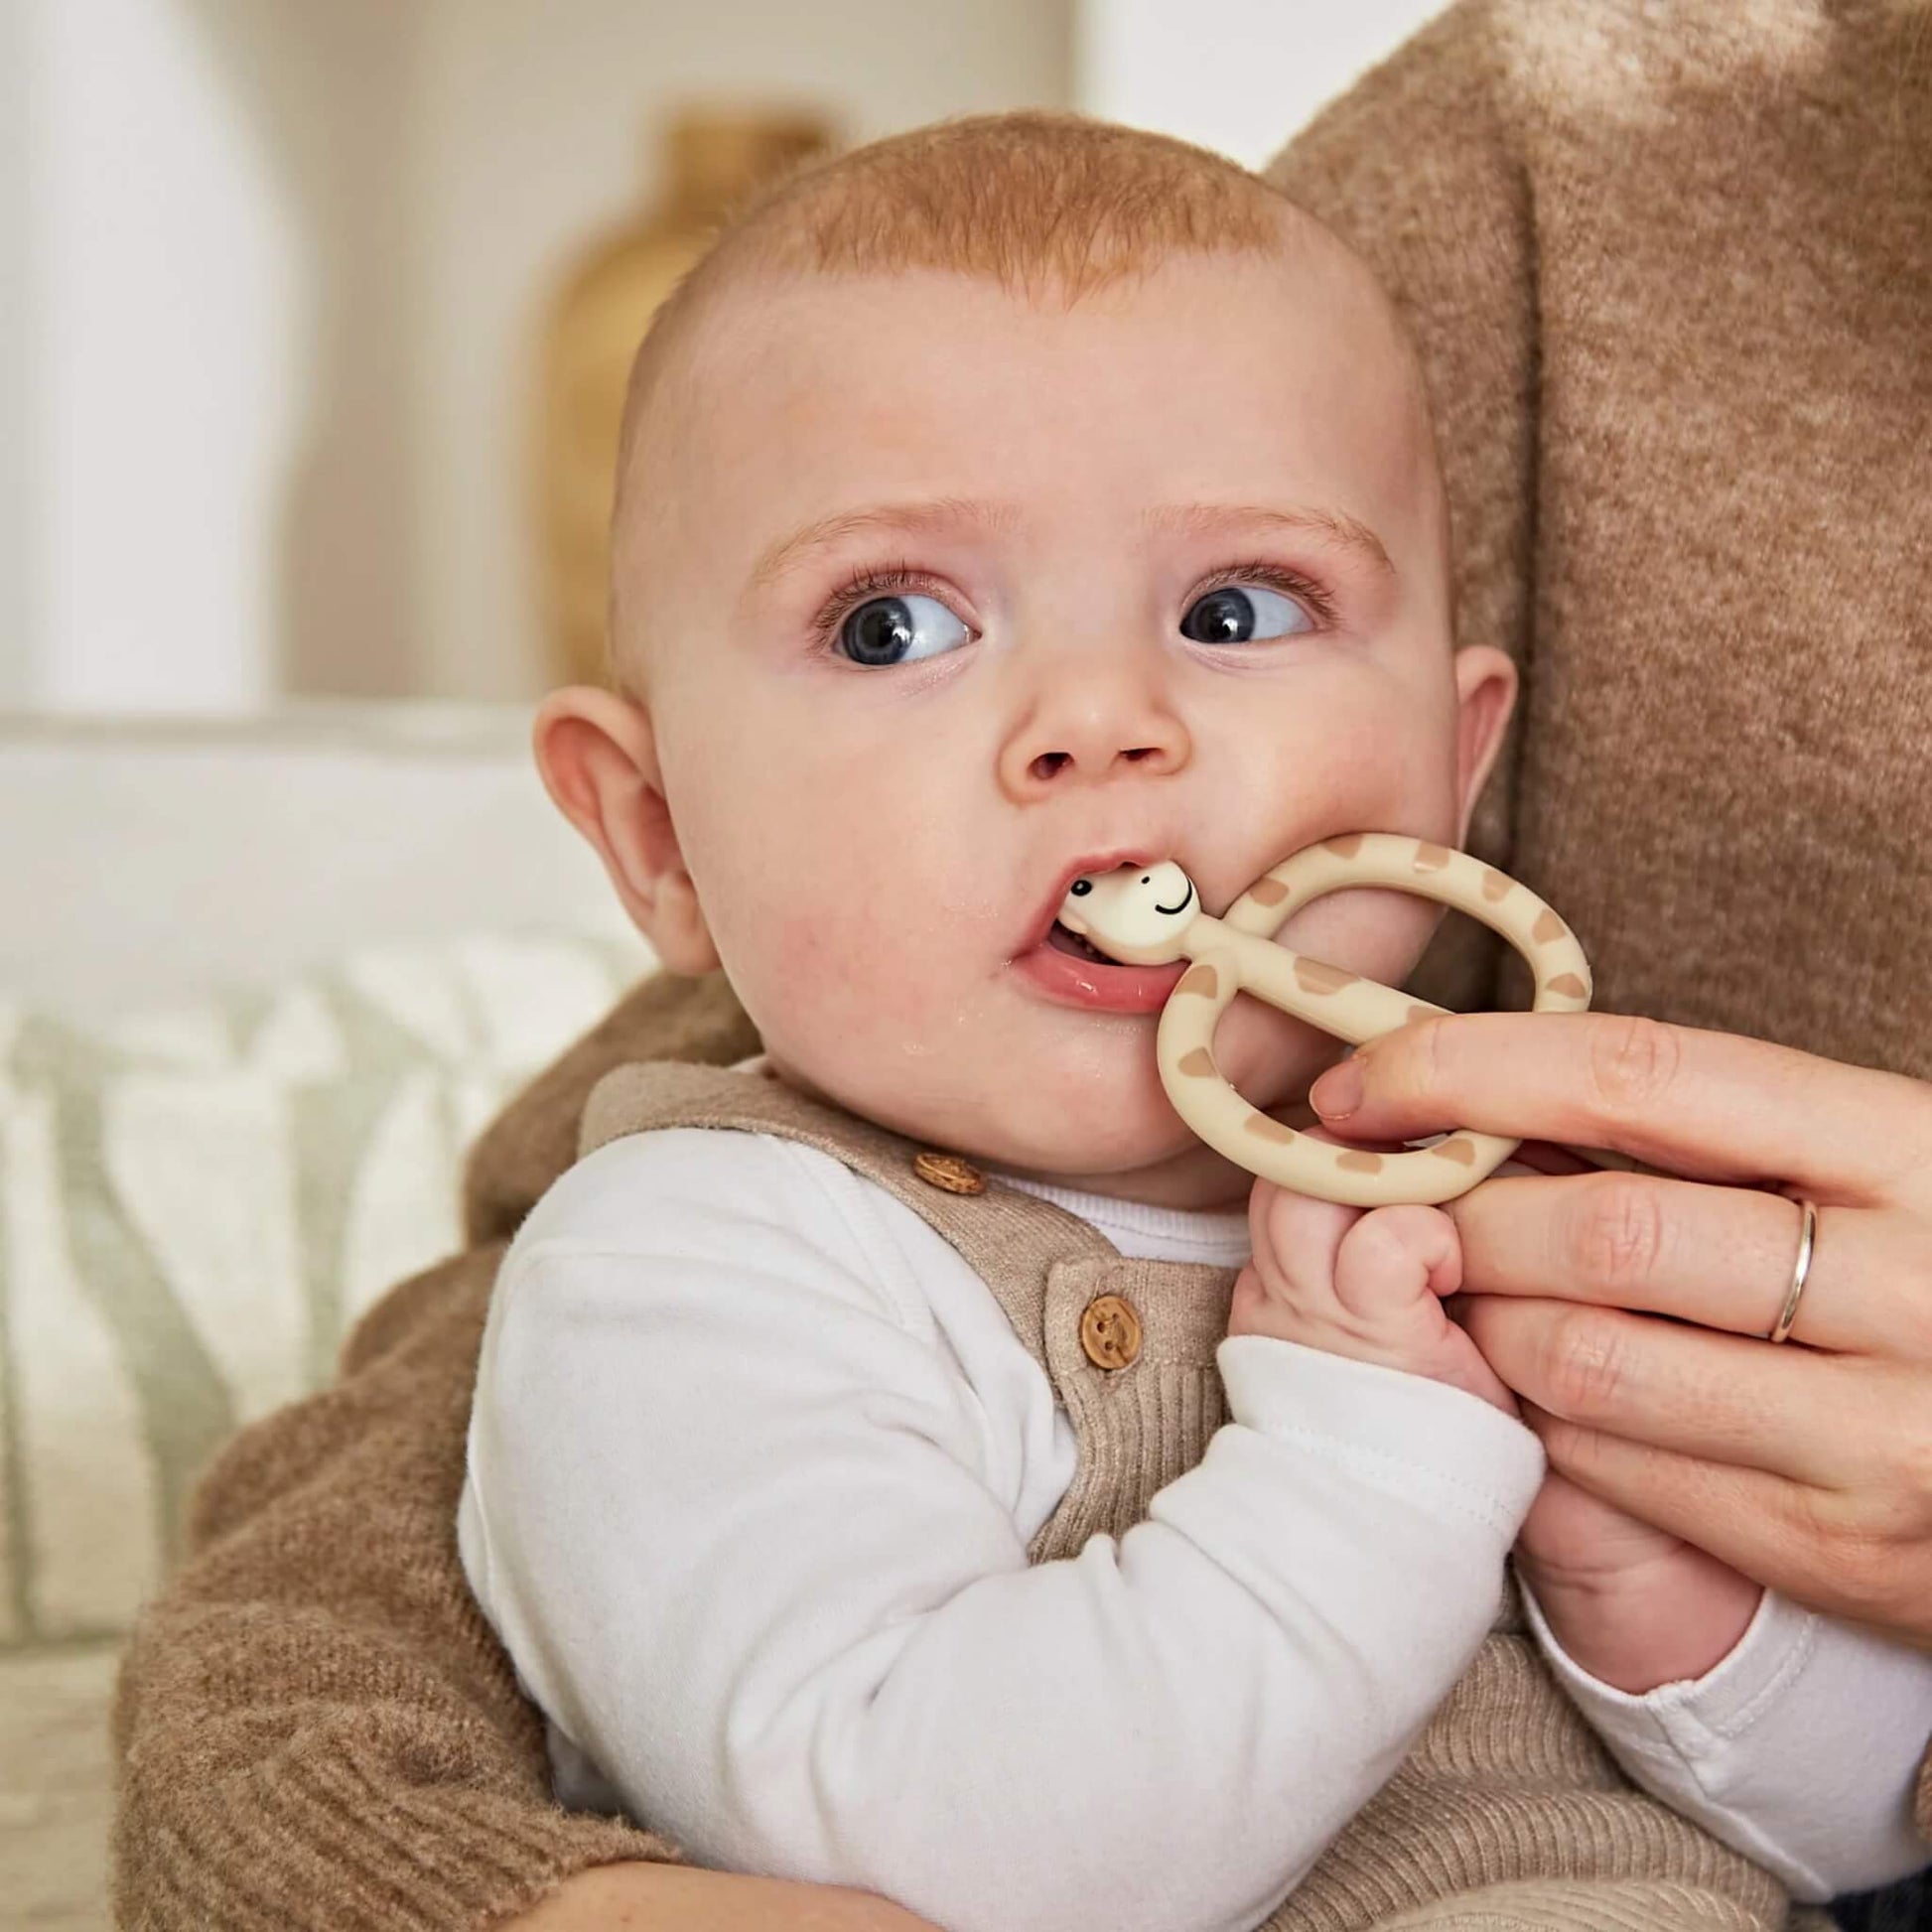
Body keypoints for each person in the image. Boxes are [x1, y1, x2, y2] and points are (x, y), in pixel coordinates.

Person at [109, 3, 1932, 1930]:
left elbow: (1862, 1823)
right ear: (656, 838)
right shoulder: (699, 1265)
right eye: (894, 624)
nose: (1098, 720)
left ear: (1451, 771)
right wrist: (1379, 1447)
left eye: (1237, 609)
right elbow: (946, 1860)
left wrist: (1676, 1620)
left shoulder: (1526, 1210)